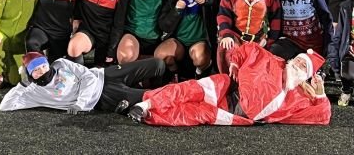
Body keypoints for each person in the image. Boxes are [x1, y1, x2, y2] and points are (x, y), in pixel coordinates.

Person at [126, 43, 331, 126]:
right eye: (299, 60)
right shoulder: (273, 60)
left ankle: (145, 114)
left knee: (190, 114)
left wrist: (321, 94)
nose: (298, 65)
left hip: (234, 113)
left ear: (306, 75)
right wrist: (234, 62)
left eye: (304, 67)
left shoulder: (298, 98)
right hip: (228, 89)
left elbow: (322, 116)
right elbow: (247, 49)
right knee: (187, 90)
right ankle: (146, 103)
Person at [0, 51, 166, 114]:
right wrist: (21, 86)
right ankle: (188, 91)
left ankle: (149, 84)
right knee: (155, 97)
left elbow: (88, 77)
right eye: (36, 70)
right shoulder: (33, 92)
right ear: (30, 75)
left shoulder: (60, 63)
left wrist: (80, 103)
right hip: (102, 97)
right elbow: (5, 106)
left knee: (157, 64)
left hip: (105, 75)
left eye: (43, 65)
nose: (42, 70)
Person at [216, 0, 281, 73]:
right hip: (236, 37)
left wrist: (270, 42)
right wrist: (226, 34)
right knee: (227, 49)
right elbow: (223, 15)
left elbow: (276, 18)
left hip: (259, 40)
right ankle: (230, 86)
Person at [156, 0, 215, 79]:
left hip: (199, 40)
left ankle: (199, 73)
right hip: (179, 41)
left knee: (200, 58)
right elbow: (164, 26)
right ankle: (176, 75)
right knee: (161, 55)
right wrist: (177, 10)